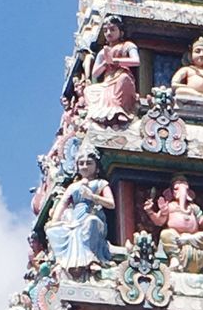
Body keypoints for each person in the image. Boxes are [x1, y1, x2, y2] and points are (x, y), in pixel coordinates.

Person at [45, 147, 115, 278]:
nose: (85, 166)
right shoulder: (73, 187)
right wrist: (54, 222)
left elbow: (111, 204)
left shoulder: (101, 183)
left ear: (97, 166)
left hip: (92, 215)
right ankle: (61, 262)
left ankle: (92, 258)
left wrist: (93, 197)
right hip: (74, 220)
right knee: (52, 231)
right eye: (81, 163)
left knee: (91, 222)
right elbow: (62, 204)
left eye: (89, 163)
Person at [144, 175, 203, 274]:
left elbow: (202, 224)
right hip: (176, 238)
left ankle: (187, 240)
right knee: (166, 233)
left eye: (185, 189)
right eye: (176, 189)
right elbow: (159, 221)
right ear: (171, 192)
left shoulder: (194, 208)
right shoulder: (170, 206)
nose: (182, 192)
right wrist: (150, 211)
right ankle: (174, 258)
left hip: (193, 237)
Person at [86, 14, 140, 125]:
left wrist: (115, 61)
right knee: (89, 90)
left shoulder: (127, 45)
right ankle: (99, 115)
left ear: (121, 32)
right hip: (107, 81)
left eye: (112, 29)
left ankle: (119, 111)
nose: (108, 33)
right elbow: (95, 74)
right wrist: (105, 63)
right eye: (105, 30)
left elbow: (136, 61)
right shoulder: (103, 52)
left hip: (121, 75)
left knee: (123, 79)